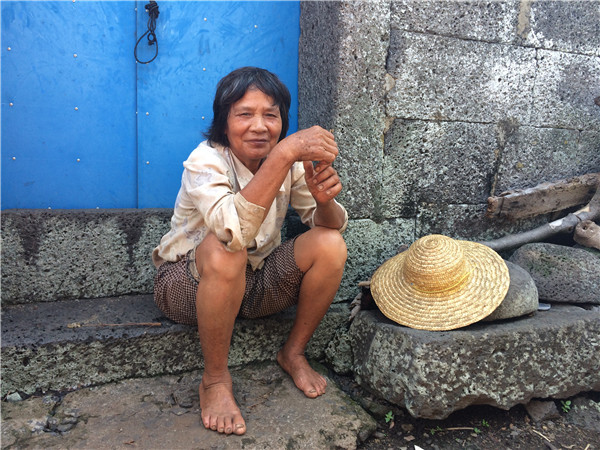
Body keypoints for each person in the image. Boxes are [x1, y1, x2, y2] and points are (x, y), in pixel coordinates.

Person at [152, 67, 348, 436]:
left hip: (253, 285)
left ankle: (293, 353)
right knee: (228, 250)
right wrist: (286, 152)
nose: (259, 126)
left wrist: (325, 203)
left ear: (282, 121)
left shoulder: (286, 162)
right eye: (245, 114)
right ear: (224, 123)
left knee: (330, 243)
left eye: (270, 115)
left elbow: (331, 224)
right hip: (185, 289)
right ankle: (214, 380)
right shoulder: (205, 160)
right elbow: (233, 233)